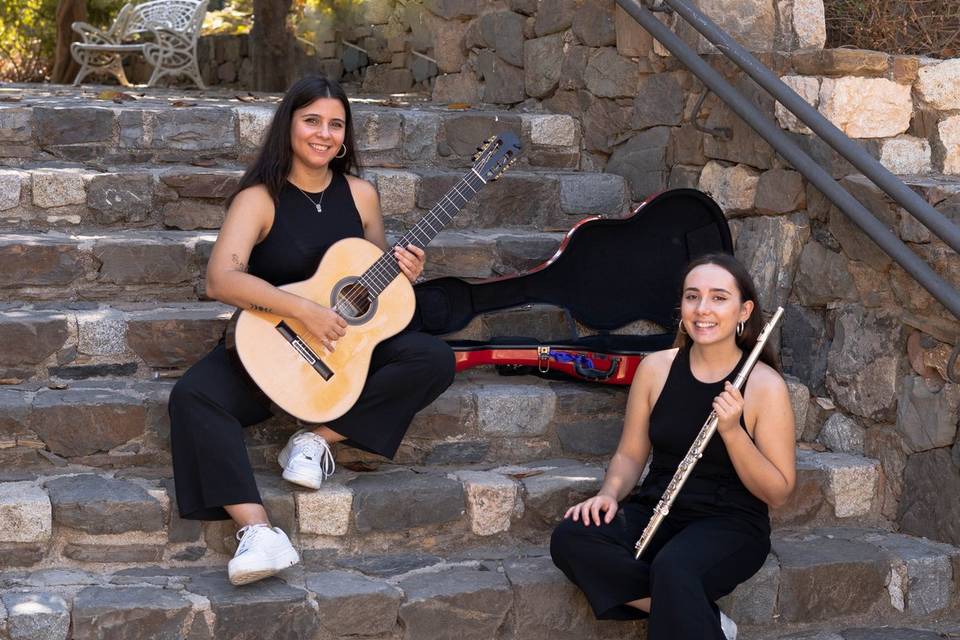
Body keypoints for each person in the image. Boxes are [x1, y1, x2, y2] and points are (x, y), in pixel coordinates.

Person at [168, 75, 455, 586]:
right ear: (289, 126)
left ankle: (317, 440)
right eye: (312, 121)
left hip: (344, 356)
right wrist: (302, 310)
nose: (324, 134)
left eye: (336, 124)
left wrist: (404, 272)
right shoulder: (259, 198)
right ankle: (259, 533)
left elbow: (372, 284)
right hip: (274, 347)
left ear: (346, 136)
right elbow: (221, 278)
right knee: (193, 396)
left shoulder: (362, 195)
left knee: (434, 359)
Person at [550, 253, 796, 640]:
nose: (703, 309)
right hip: (657, 507)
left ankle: (685, 603)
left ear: (743, 310)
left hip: (729, 522)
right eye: (692, 296)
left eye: (718, 298)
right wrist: (609, 494)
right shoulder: (656, 368)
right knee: (571, 537)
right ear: (680, 306)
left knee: (674, 568)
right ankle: (699, 616)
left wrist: (732, 432)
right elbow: (631, 454)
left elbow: (778, 492)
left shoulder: (765, 386)